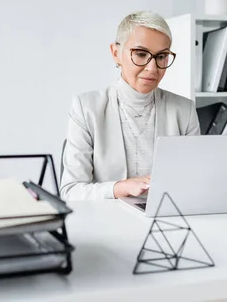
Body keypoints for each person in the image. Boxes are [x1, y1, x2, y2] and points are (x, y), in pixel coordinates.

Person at [59, 10, 200, 201]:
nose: (152, 68)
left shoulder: (185, 111)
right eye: (141, 54)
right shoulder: (86, 108)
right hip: (107, 222)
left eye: (161, 56)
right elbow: (71, 191)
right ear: (116, 53)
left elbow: (195, 183)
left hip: (167, 221)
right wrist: (119, 188)